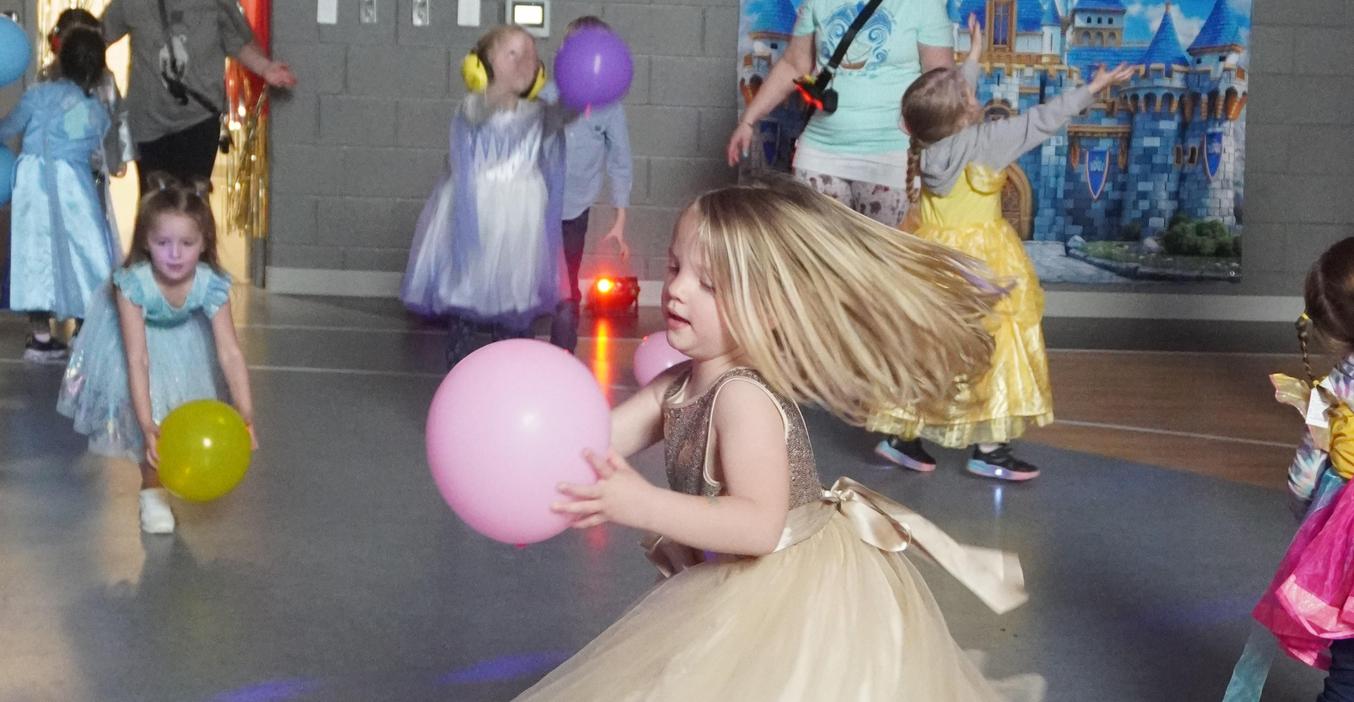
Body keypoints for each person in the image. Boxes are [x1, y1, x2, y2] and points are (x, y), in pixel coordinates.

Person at [515, 177, 1040, 700]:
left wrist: (642, 503)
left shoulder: (745, 399)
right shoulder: (675, 386)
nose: (675, 289)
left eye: (710, 284)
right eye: (676, 268)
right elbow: (594, 448)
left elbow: (758, 526)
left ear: (768, 308)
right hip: (730, 578)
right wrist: (536, 484)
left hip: (790, 587)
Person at [872, 25, 1134, 481]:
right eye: (967, 94)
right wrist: (1093, 87)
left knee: (930, 345)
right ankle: (989, 449)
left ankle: (901, 434)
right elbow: (1042, 120)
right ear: (964, 115)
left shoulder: (929, 141)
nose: (972, 94)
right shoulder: (986, 145)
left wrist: (973, 55)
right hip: (980, 260)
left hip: (933, 254)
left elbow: (949, 101)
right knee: (995, 347)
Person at [58, 174, 255, 535]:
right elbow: (138, 359)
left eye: (186, 243)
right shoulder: (133, 283)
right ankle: (152, 491)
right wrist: (147, 422)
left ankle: (171, 476)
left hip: (185, 344)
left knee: (187, 408)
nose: (175, 254)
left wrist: (245, 411)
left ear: (204, 242)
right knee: (154, 420)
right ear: (147, 243)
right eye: (163, 242)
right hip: (139, 348)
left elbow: (228, 351)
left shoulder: (211, 284)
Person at [400, 25, 566, 367]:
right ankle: (459, 375)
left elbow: (565, 115)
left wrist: (581, 94)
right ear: (486, 63)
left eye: (531, 55)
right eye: (512, 54)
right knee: (467, 296)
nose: (524, 62)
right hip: (477, 213)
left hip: (521, 217)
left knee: (516, 301)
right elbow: (482, 111)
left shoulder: (538, 111)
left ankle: (515, 375)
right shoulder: (473, 105)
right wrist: (503, 85)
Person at [1237, 237, 1354, 701]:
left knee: (1348, 677)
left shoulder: (1331, 392)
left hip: (1347, 546)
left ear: (1333, 332)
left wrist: (1309, 519)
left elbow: (1304, 478)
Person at [725, 0, 954, 225]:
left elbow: (940, 82)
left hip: (893, 156)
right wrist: (748, 120)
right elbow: (794, 64)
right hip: (820, 152)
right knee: (819, 258)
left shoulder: (924, 4)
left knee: (883, 259)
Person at [1, 27, 121, 362]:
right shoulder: (97, 111)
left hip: (32, 183)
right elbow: (96, 151)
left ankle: (40, 336)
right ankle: (85, 329)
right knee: (84, 250)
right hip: (74, 183)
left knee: (35, 253)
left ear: (59, 60)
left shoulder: (38, 95)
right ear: (99, 70)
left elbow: (10, 127)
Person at [100, 0, 296, 193]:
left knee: (193, 201)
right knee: (153, 203)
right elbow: (98, 37)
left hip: (199, 120)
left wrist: (265, 68)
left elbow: (238, 44)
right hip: (148, 123)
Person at [545, 16, 633, 354]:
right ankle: (513, 352)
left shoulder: (610, 107)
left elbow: (620, 160)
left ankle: (561, 356)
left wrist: (620, 219)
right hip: (536, 206)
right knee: (525, 286)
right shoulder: (546, 94)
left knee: (566, 287)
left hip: (574, 209)